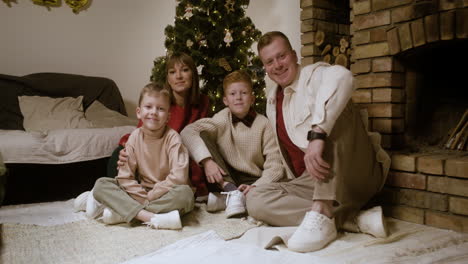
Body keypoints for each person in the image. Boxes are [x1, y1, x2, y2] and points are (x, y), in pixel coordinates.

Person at [245, 31, 391, 252]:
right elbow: (280, 154)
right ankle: (351, 219)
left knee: (335, 111)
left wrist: (318, 134)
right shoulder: (272, 101)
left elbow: (344, 77)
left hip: (354, 170)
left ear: (294, 56)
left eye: (281, 56)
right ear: (265, 67)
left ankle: (324, 210)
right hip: (315, 178)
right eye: (269, 61)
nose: (277, 65)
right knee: (255, 200)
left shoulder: (315, 75)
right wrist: (259, 185)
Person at [75, 82, 194, 229]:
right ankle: (149, 217)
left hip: (165, 193)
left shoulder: (173, 138)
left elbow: (179, 177)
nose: (154, 112)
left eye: (161, 109)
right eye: (148, 107)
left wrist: (151, 196)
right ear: (139, 112)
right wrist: (142, 196)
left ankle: (123, 213)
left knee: (186, 195)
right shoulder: (134, 137)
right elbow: (125, 177)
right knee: (101, 184)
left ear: (168, 116)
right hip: (139, 192)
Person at [180, 70, 284, 218]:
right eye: (233, 94)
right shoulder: (222, 118)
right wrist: (207, 162)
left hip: (253, 179)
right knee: (202, 134)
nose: (238, 98)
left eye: (244, 93)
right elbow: (187, 132)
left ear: (252, 98)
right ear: (225, 101)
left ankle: (228, 199)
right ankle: (231, 192)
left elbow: (275, 166)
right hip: (225, 177)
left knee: (266, 198)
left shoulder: (264, 124)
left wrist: (256, 186)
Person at [109, 52, 211, 197]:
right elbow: (143, 130)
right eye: (172, 72)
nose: (179, 76)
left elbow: (204, 136)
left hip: (180, 160)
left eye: (185, 70)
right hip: (152, 156)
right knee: (119, 156)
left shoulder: (203, 102)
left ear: (193, 74)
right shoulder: (161, 101)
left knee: (183, 190)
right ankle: (120, 195)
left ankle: (140, 201)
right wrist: (127, 147)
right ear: (168, 79)